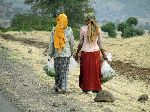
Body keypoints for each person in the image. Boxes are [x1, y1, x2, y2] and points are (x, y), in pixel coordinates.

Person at [75, 13, 107, 93]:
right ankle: (96, 88)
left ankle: (86, 88)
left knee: (86, 70)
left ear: (86, 19)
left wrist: (76, 53)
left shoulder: (83, 29)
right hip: (95, 53)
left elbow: (81, 43)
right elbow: (100, 43)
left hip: (85, 53)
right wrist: (104, 55)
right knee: (95, 71)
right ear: (94, 19)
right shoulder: (98, 29)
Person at [49, 13, 74, 94]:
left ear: (58, 20)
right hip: (66, 54)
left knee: (57, 71)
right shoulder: (69, 30)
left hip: (57, 54)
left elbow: (52, 43)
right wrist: (71, 52)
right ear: (66, 20)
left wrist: (50, 54)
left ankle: (57, 86)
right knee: (65, 71)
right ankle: (64, 88)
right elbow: (72, 43)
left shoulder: (54, 29)